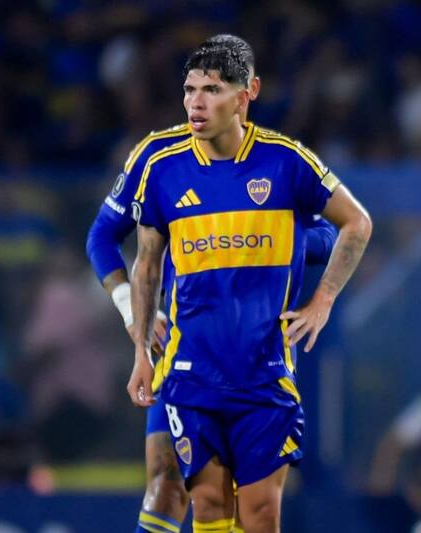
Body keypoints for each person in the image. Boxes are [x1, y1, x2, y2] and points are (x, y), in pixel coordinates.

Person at [86, 34, 338, 533]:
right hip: (181, 347)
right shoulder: (156, 157)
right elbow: (101, 238)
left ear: (242, 95)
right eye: (192, 89)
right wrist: (131, 309)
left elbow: (328, 234)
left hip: (251, 349)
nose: (198, 101)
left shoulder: (274, 161)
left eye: (213, 89)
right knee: (169, 485)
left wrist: (254, 239)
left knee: (247, 507)